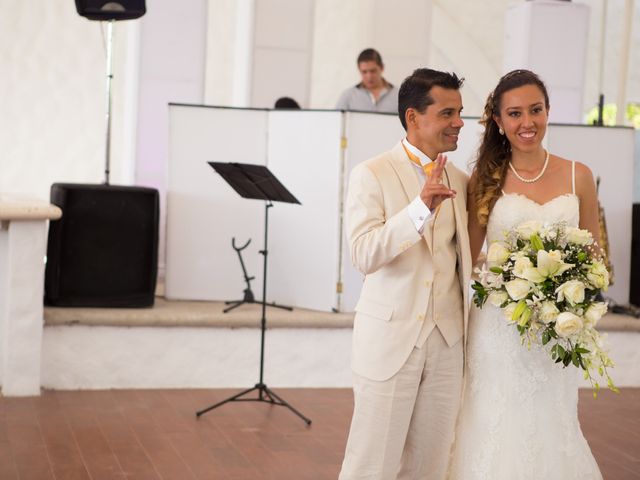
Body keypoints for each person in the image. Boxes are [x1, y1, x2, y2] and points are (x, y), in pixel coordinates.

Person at [449, 69, 603, 479]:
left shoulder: (579, 176)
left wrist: (564, 294)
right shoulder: (487, 178)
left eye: (535, 110)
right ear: (499, 121)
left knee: (551, 422)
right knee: (494, 422)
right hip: (499, 330)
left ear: (548, 112)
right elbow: (468, 255)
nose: (527, 123)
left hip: (557, 328)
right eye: (514, 114)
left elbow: (597, 258)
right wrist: (513, 277)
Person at [339, 68, 471, 480]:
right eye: (448, 113)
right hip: (391, 340)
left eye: (460, 113)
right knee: (370, 463)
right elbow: (363, 254)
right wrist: (419, 209)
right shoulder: (370, 173)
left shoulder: (463, 181)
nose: (459, 123)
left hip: (448, 341)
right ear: (414, 117)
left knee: (431, 464)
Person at [336, 48, 399, 113]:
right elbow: (335, 121)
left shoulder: (398, 95)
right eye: (364, 72)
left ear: (382, 68)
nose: (369, 76)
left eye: (373, 71)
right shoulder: (348, 96)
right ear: (359, 70)